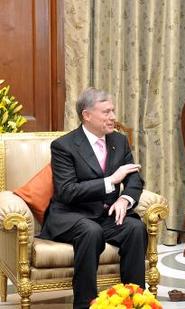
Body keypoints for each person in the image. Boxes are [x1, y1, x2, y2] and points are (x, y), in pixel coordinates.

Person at [40, 87, 146, 309]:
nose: (113, 117)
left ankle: (133, 300)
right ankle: (85, 304)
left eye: (113, 111)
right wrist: (111, 181)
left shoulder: (119, 140)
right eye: (106, 112)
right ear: (86, 115)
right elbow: (67, 190)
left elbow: (135, 180)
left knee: (135, 228)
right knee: (91, 231)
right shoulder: (63, 146)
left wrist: (124, 200)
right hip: (71, 215)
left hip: (105, 215)